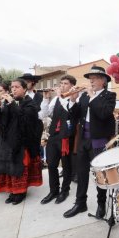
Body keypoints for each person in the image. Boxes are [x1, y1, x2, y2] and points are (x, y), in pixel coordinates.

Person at [63, 66, 116, 219]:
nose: (91, 80)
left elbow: (103, 114)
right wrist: (73, 101)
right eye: (90, 78)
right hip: (83, 139)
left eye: (95, 77)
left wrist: (92, 95)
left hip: (99, 141)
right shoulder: (85, 97)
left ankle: (101, 205)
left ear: (103, 81)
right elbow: (74, 116)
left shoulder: (109, 95)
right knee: (81, 173)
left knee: (100, 175)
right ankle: (80, 203)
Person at [0, 79, 43, 205]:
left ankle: (20, 192)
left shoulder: (31, 103)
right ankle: (13, 191)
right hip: (9, 140)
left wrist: (12, 103)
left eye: (17, 87)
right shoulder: (8, 103)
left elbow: (25, 120)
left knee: (19, 167)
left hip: (23, 141)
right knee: (10, 167)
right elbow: (2, 123)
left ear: (24, 89)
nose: (14, 89)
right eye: (12, 87)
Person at [40, 75, 78, 205]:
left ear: (72, 86)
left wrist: (60, 96)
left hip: (66, 137)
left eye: (65, 83)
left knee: (66, 166)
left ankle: (65, 190)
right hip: (53, 136)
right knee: (51, 165)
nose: (62, 86)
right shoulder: (55, 99)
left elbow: (69, 112)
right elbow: (43, 114)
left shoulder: (74, 99)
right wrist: (45, 99)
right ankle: (53, 190)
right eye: (61, 83)